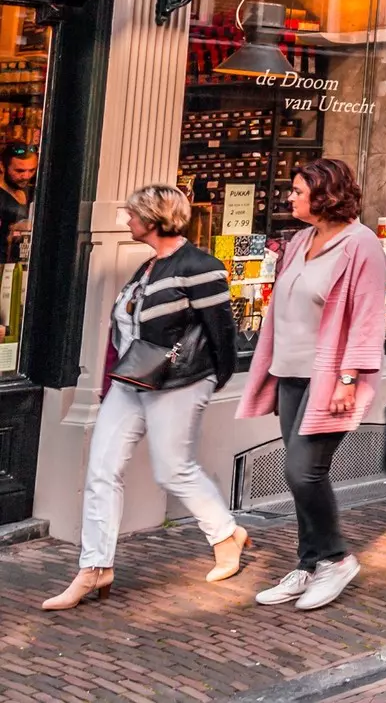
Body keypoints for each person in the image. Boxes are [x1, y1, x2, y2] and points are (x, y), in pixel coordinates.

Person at [43, 186, 245, 611]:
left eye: (133, 215)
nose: (127, 222)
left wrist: (211, 378)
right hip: (132, 382)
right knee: (101, 469)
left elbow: (222, 332)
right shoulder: (147, 267)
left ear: (154, 219)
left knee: (173, 469)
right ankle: (95, 567)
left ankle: (225, 533)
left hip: (179, 382)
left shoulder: (200, 266)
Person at [238, 158, 386, 610]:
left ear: (324, 195)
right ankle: (308, 565)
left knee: (304, 472)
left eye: (298, 190)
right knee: (299, 474)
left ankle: (337, 559)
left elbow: (367, 317)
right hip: (290, 374)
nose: (290, 196)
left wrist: (348, 378)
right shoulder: (301, 240)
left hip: (331, 377)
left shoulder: (362, 246)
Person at [0, 143, 34, 266]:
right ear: (2, 166)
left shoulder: (35, 193)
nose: (26, 176)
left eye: (32, 170)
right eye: (19, 170)